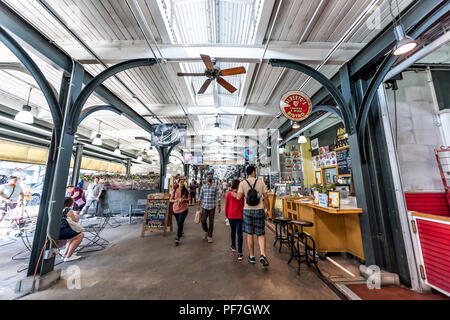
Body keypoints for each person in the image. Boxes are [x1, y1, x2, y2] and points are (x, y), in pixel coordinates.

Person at [232, 165, 270, 266]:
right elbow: (266, 197)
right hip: (259, 210)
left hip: (247, 211)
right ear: (253, 172)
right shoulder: (261, 182)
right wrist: (268, 210)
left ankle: (252, 256)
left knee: (250, 234)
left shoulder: (243, 183)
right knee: (260, 234)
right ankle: (263, 254)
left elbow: (239, 197)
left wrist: (234, 195)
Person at [59, 197, 84, 262]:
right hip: (63, 230)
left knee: (71, 238)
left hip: (58, 230)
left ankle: (66, 254)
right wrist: (77, 217)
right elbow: (74, 220)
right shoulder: (67, 209)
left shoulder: (59, 209)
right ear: (70, 203)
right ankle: (69, 256)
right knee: (80, 235)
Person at [197, 176, 221, 243]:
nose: (209, 178)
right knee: (203, 220)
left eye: (210, 177)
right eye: (208, 177)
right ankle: (206, 231)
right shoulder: (203, 186)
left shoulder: (215, 186)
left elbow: (218, 196)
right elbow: (200, 196)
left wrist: (219, 206)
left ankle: (210, 236)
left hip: (212, 206)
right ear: (206, 178)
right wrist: (198, 205)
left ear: (212, 179)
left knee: (211, 221)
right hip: (204, 206)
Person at [225, 179, 245, 261]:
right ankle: (240, 253)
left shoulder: (229, 194)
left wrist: (227, 215)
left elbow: (227, 206)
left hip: (231, 216)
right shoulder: (242, 195)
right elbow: (244, 204)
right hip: (239, 216)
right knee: (240, 234)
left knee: (233, 231)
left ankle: (233, 246)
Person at [170, 178, 189, 246]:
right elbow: (170, 200)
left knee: (180, 222)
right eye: (181, 182)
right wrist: (176, 201)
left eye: (183, 182)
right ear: (178, 183)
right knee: (179, 223)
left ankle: (178, 237)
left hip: (184, 209)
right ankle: (181, 232)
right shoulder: (174, 190)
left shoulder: (186, 191)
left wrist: (183, 200)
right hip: (175, 209)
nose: (182, 183)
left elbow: (188, 199)